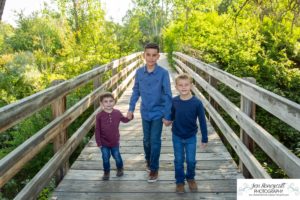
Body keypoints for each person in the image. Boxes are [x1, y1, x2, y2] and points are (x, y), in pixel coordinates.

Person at [127, 43, 172, 183]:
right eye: (148, 55)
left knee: (155, 141)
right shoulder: (139, 72)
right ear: (144, 55)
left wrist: (168, 115)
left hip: (159, 113)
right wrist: (130, 108)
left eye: (154, 55)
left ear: (158, 56)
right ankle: (148, 159)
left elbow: (168, 95)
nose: (151, 58)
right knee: (146, 141)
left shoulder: (163, 73)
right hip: (145, 112)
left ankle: (154, 168)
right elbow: (136, 91)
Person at [170, 73, 208, 193]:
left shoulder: (197, 103)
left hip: (191, 136)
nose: (184, 87)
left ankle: (190, 177)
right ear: (176, 87)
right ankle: (180, 181)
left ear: (191, 86)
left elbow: (202, 121)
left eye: (186, 85)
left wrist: (205, 138)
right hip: (177, 135)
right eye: (180, 85)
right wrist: (165, 119)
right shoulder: (174, 101)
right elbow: (171, 116)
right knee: (179, 160)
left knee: (191, 160)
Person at [95, 92, 132, 180]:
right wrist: (98, 142)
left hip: (115, 141)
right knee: (105, 158)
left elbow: (124, 120)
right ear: (101, 103)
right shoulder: (99, 116)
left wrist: (130, 117)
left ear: (114, 102)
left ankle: (120, 168)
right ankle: (106, 172)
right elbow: (97, 130)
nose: (108, 103)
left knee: (117, 156)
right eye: (106, 101)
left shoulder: (117, 113)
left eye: (111, 101)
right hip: (104, 142)